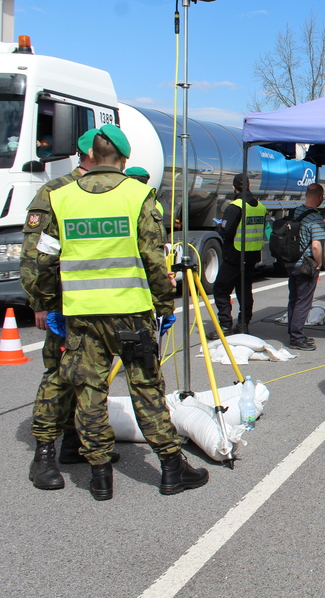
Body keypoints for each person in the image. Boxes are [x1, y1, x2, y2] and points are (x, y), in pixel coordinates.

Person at [29, 124, 208, 500]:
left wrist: (45, 302)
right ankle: (171, 468)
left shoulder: (62, 198)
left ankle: (100, 477)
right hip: (130, 313)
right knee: (145, 387)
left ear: (91, 156)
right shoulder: (137, 194)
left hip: (81, 316)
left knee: (89, 392)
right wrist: (164, 304)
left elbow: (42, 259)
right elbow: (154, 259)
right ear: (124, 159)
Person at [20, 141, 116, 490]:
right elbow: (35, 253)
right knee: (59, 376)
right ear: (91, 154)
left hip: (102, 304)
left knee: (93, 377)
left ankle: (77, 443)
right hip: (66, 304)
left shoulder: (110, 190)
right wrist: (41, 303)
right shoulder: (56, 191)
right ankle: (43, 454)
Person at [210, 174, 268, 338]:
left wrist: (219, 227)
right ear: (249, 185)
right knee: (244, 291)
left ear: (234, 187)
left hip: (234, 255)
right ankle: (243, 325)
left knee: (221, 290)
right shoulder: (260, 207)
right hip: (252, 255)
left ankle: (225, 326)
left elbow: (227, 232)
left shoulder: (235, 207)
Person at [286, 183, 325, 351]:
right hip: (306, 264)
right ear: (320, 197)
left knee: (294, 299)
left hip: (291, 262)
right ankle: (297, 338)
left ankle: (293, 332)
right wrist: (319, 263)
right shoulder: (315, 218)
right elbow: (316, 246)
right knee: (303, 302)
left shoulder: (294, 212)